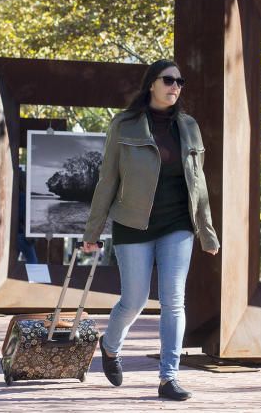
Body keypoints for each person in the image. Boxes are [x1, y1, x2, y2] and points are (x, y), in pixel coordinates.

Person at [81, 59, 220, 401]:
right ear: (151, 85)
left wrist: (207, 231)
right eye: (169, 79)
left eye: (180, 81)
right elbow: (108, 178)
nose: (176, 86)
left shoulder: (189, 126)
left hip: (177, 224)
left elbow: (198, 184)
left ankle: (168, 377)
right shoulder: (124, 125)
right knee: (135, 300)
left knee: (174, 300)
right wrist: (92, 231)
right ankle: (110, 346)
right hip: (132, 222)